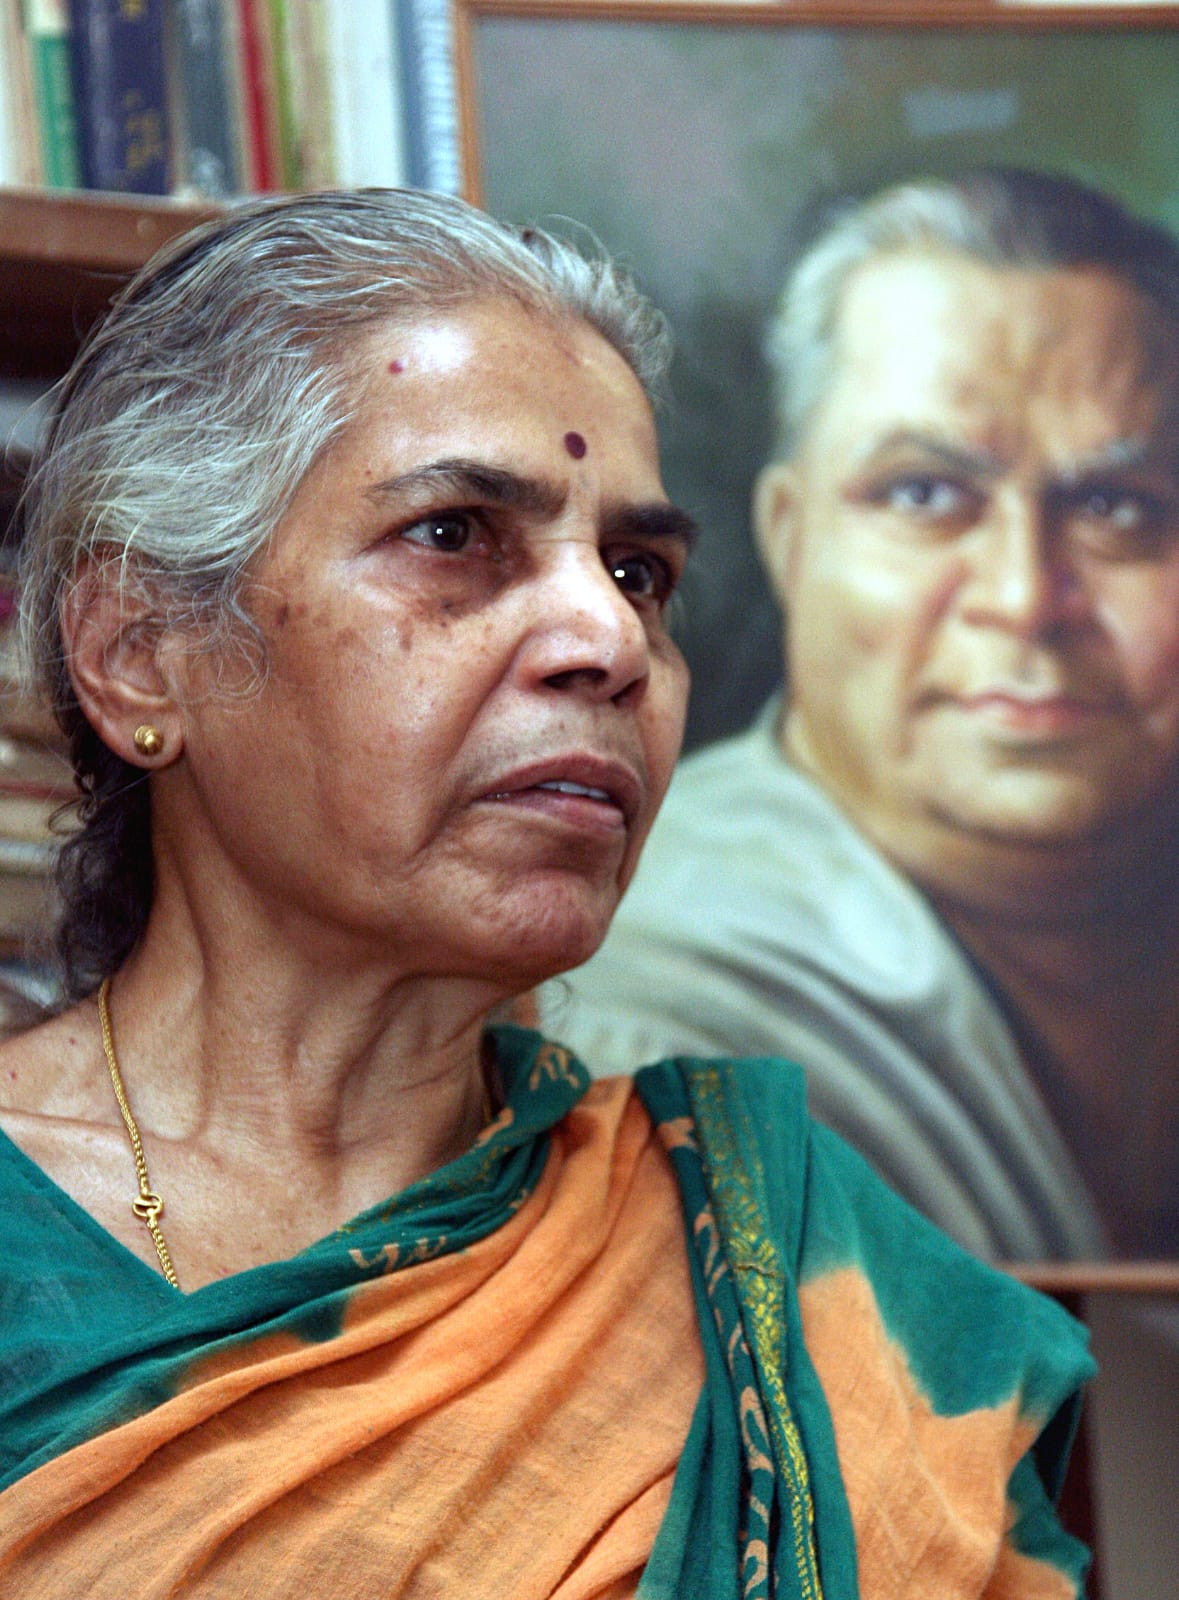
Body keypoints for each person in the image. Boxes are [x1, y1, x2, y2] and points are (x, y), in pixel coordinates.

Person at [0, 190, 1091, 1599]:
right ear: (139, 652)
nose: (608, 638)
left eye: (641, 573)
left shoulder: (789, 1272)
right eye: (454, 535)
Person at [546, 169, 1179, 1265]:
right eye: (924, 495)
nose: (1026, 597)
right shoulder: (640, 1035)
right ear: (789, 539)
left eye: (1115, 509)